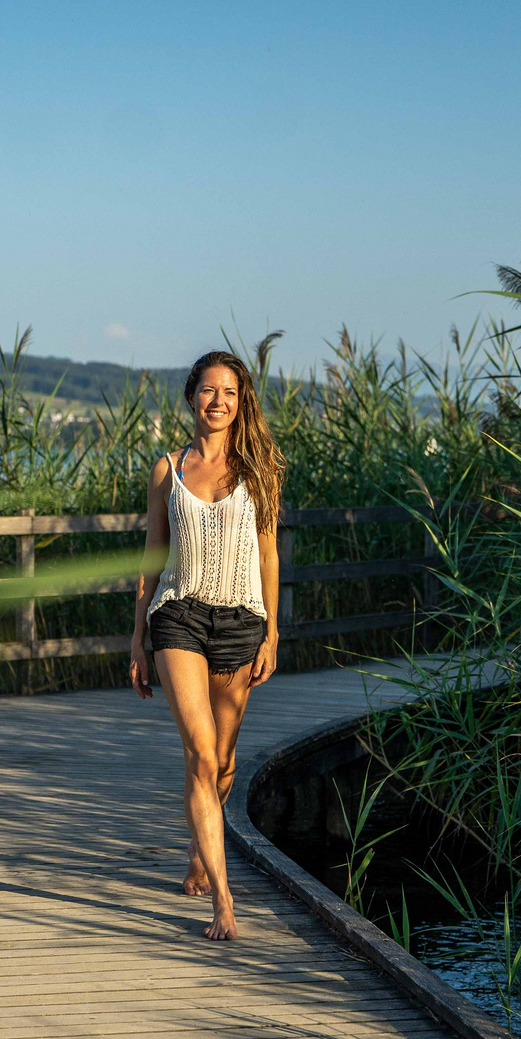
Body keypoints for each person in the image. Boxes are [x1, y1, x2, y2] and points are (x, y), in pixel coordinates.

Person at [130, 350, 285, 941]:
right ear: (191, 396)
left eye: (230, 392)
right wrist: (139, 638)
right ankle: (224, 899)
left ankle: (202, 847)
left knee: (221, 763)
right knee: (198, 753)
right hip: (180, 618)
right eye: (208, 390)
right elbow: (150, 556)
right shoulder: (167, 470)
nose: (218, 401)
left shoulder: (257, 471)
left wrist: (272, 630)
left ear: (241, 402)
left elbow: (269, 554)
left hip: (242, 623)